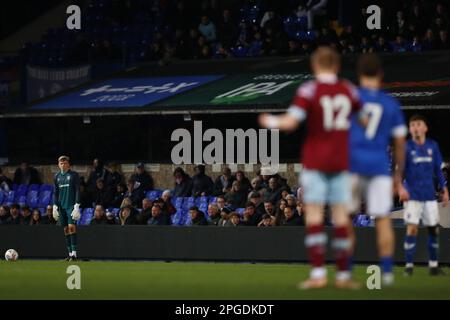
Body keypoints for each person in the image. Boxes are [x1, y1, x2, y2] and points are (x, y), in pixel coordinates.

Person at [258, 47, 362, 289]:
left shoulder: (309, 89)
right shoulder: (348, 89)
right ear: (336, 66)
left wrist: (271, 120)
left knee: (314, 216)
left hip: (316, 161)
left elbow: (291, 121)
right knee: (340, 218)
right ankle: (344, 276)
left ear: (315, 67)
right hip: (341, 161)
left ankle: (318, 274)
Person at [349, 53, 408, 286]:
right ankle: (386, 271)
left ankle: (347, 271)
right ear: (381, 75)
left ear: (359, 75)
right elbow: (400, 146)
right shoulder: (390, 103)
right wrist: (398, 176)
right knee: (382, 221)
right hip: (379, 168)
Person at [399, 114, 449, 276]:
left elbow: (438, 171)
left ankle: (433, 266)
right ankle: (408, 266)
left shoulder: (433, 147)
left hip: (429, 197)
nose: (415, 127)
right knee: (412, 229)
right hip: (412, 196)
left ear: (425, 128)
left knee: (433, 230)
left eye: (418, 124)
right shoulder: (406, 148)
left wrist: (445, 189)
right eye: (412, 125)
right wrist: (401, 188)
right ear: (409, 129)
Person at [52, 156, 81, 261]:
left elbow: (78, 190)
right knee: (65, 230)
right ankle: (69, 254)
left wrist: (77, 206)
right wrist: (55, 206)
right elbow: (56, 192)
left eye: (65, 163)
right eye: (61, 163)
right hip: (61, 207)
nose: (63, 165)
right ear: (58, 165)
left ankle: (74, 254)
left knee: (72, 228)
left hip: (71, 206)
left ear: (68, 164)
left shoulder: (73, 175)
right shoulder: (56, 177)